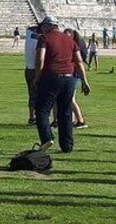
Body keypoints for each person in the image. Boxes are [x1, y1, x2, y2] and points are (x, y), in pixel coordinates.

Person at [33, 17, 90, 153]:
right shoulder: (70, 40)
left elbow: (40, 58)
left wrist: (37, 77)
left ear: (48, 26)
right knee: (65, 112)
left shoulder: (44, 38)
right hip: (69, 78)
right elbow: (79, 61)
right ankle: (67, 145)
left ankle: (47, 138)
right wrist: (84, 80)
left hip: (51, 76)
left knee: (42, 110)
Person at [66, 28, 89, 129]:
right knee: (70, 98)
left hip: (73, 74)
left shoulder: (73, 47)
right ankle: (73, 120)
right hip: (75, 74)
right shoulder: (76, 46)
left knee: (71, 99)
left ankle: (81, 121)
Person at [23, 24, 40, 125]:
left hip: (28, 69)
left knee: (32, 94)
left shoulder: (29, 36)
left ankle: (31, 116)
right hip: (36, 69)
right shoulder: (37, 40)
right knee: (38, 95)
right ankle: (37, 116)